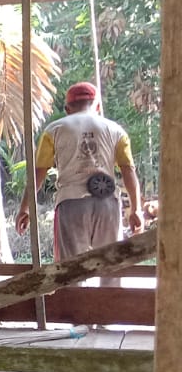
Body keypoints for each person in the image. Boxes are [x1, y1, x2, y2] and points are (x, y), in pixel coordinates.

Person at [16, 81, 142, 259]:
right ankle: (110, 287)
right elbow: (129, 171)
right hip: (107, 203)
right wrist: (136, 209)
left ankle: (73, 288)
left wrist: (25, 209)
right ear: (97, 106)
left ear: (67, 108)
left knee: (69, 271)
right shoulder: (116, 131)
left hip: (70, 203)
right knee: (111, 268)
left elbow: (38, 175)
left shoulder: (54, 130)